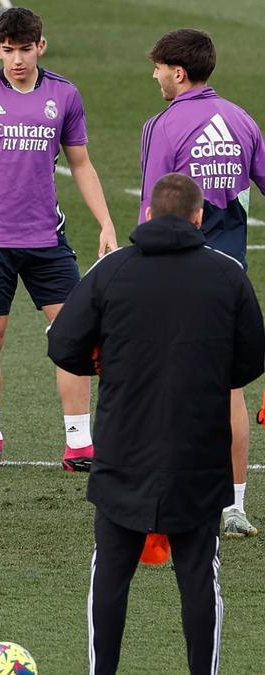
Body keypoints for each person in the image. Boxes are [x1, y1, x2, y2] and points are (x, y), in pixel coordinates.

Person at [48, 173, 265, 675]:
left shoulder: (110, 271)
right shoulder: (228, 274)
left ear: (146, 216)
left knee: (110, 576)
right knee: (197, 578)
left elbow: (63, 346)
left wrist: (105, 365)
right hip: (198, 455)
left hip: (124, 450)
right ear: (198, 218)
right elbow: (252, 356)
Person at [0, 6, 117, 472]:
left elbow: (80, 163)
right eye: (8, 50)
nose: (16, 59)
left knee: (73, 336)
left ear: (41, 46)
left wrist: (106, 223)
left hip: (47, 239)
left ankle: (79, 445)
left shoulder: (64, 95)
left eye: (25, 49)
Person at [139, 28, 265, 538]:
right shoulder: (242, 120)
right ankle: (233, 506)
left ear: (178, 72)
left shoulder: (162, 125)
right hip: (228, 279)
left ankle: (165, 501)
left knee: (163, 385)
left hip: (175, 275)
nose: (154, 75)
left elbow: (152, 209)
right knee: (228, 388)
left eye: (158, 67)